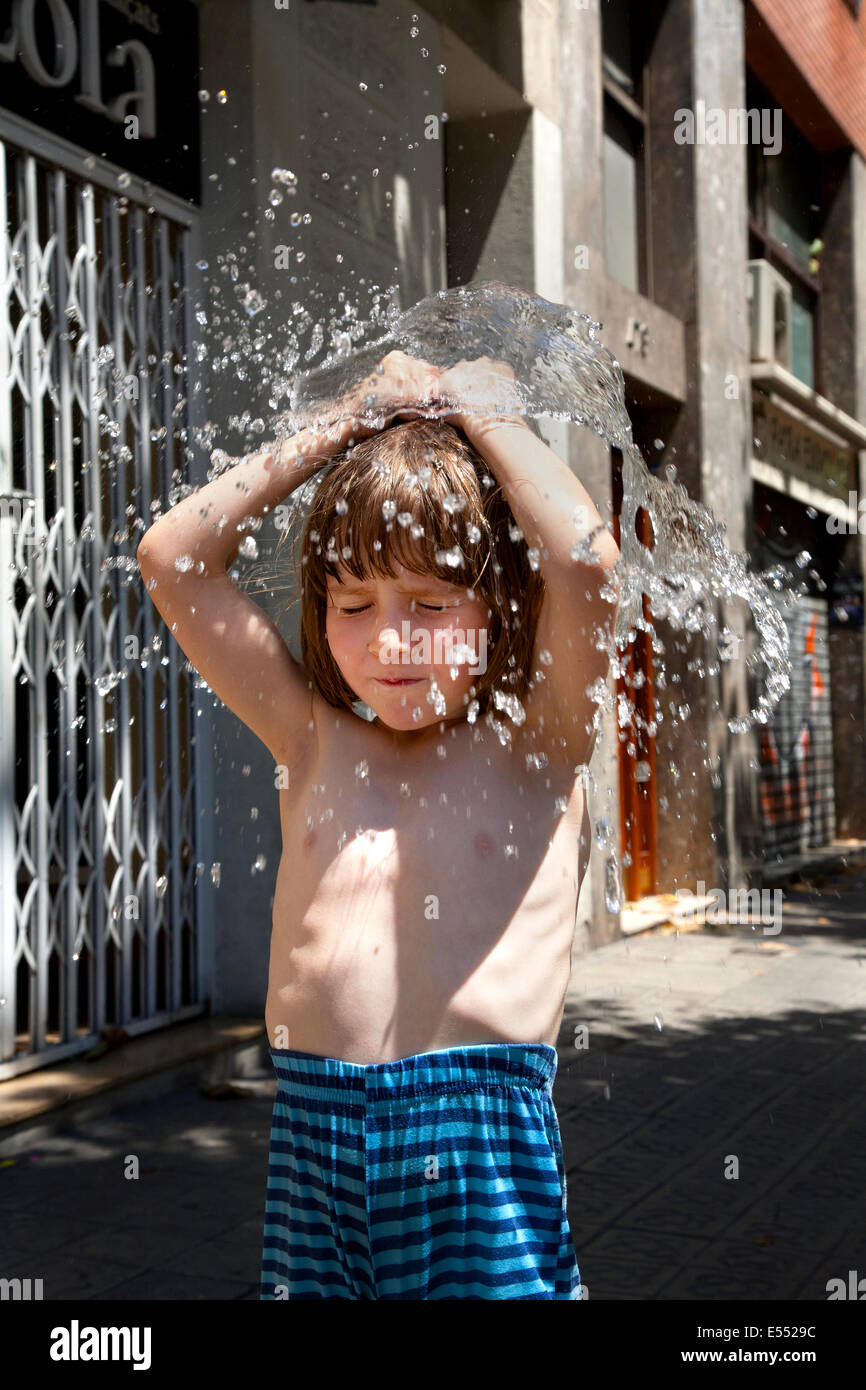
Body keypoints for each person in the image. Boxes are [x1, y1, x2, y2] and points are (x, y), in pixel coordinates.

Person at [137, 349, 620, 1300]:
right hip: (316, 1139)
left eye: (432, 605)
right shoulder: (312, 739)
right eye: (355, 605)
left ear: (496, 606)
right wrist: (346, 419)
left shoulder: (540, 747)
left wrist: (489, 416)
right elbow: (172, 557)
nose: (391, 641)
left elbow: (581, 557)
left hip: (480, 1147)